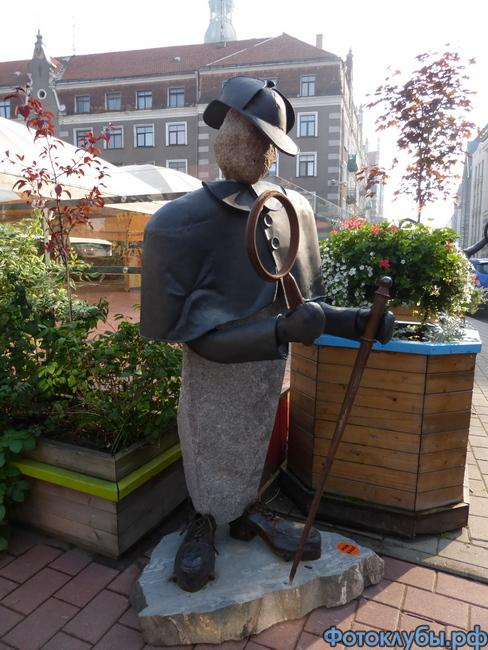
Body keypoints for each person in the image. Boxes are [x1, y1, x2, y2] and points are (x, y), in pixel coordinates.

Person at [140, 76, 394, 593]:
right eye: (242, 133)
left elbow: (304, 303)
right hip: (215, 370)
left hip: (265, 368)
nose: (252, 148)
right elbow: (194, 336)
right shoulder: (177, 223)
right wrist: (281, 329)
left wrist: (354, 321)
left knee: (252, 437)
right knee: (209, 442)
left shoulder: (291, 211)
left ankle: (242, 510)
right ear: (222, 133)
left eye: (263, 140)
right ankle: (204, 518)